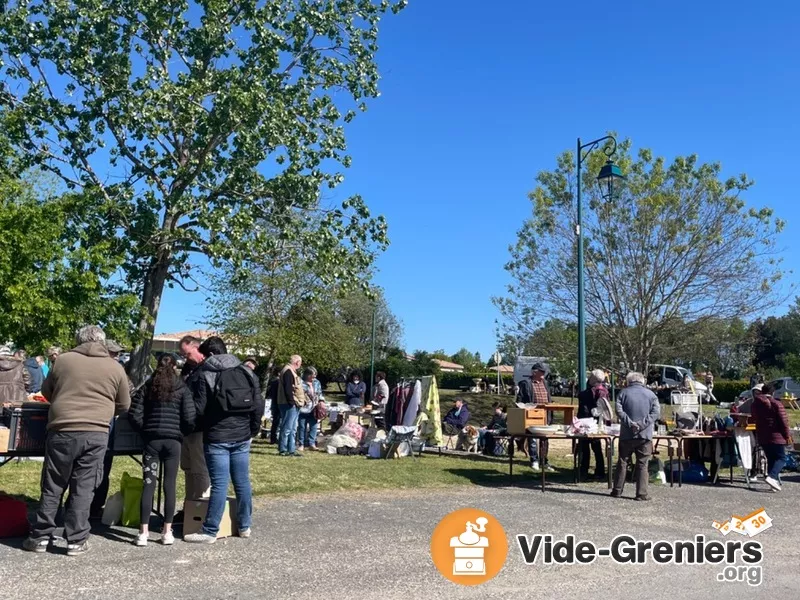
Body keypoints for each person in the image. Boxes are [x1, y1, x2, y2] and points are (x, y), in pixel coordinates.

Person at [23, 325, 131, 556]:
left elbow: (48, 391)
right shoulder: (115, 367)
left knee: (53, 484)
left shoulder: (62, 361)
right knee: (84, 486)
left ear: (78, 339)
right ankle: (76, 540)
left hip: (62, 428)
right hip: (97, 432)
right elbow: (124, 404)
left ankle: (41, 536)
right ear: (102, 342)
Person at [184, 336, 263, 544]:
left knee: (219, 484)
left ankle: (210, 530)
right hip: (242, 435)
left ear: (210, 354)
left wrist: (189, 426)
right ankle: (244, 526)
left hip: (216, 436)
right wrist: (252, 430)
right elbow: (258, 404)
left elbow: (198, 409)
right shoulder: (246, 372)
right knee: (242, 481)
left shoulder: (205, 374)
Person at [128, 354, 195, 546]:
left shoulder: (149, 386)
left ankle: (143, 532)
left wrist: (145, 429)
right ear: (175, 367)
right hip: (173, 442)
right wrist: (181, 432)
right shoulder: (181, 387)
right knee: (170, 485)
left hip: (152, 442)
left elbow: (134, 413)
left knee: (148, 484)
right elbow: (190, 417)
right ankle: (167, 531)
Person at [611, 372, 660, 501]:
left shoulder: (623, 393)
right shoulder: (651, 395)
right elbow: (655, 413)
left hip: (626, 434)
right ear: (642, 381)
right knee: (642, 464)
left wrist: (630, 423)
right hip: (644, 435)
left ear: (629, 381)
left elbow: (619, 410)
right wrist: (641, 424)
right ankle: (641, 493)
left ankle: (617, 490)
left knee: (622, 462)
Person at [178, 335, 210, 502]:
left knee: (200, 469)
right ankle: (189, 507)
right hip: (186, 427)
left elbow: (202, 403)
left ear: (196, 348)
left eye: (187, 353)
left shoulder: (207, 369)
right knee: (188, 468)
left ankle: (201, 507)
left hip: (200, 427)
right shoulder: (187, 370)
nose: (185, 358)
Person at [751, 383, 792, 492]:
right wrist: (787, 435)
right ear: (772, 392)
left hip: (763, 436)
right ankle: (772, 477)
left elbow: (754, 418)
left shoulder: (755, 404)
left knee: (771, 459)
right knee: (781, 458)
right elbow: (783, 421)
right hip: (776, 435)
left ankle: (772, 484)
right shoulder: (776, 403)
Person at [519, 363, 553, 473]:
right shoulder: (526, 384)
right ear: (534, 372)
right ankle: (534, 460)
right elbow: (520, 399)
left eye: (544, 371)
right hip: (532, 414)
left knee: (545, 438)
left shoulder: (546, 383)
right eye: (541, 371)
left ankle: (544, 460)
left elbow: (549, 397)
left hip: (545, 414)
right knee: (532, 438)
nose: (544, 373)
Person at [577, 369, 609, 480]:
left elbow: (584, 409)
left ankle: (584, 470)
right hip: (596, 422)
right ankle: (599, 471)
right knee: (596, 448)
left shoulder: (587, 393)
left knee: (586, 448)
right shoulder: (603, 391)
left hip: (588, 422)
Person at [277, 355, 305, 456]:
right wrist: (292, 402)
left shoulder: (290, 371)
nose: (300, 365)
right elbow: (288, 389)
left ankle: (291, 449)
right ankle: (283, 449)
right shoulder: (288, 372)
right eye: (300, 363)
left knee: (293, 428)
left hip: (292, 403)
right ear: (297, 362)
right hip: (288, 404)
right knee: (287, 428)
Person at [297, 367, 324, 451]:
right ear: (307, 375)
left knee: (314, 426)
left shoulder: (317, 382)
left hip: (314, 408)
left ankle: (312, 443)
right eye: (313, 375)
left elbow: (319, 393)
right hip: (303, 408)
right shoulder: (301, 382)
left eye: (315, 375)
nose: (314, 377)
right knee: (302, 427)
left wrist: (321, 401)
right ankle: (301, 444)